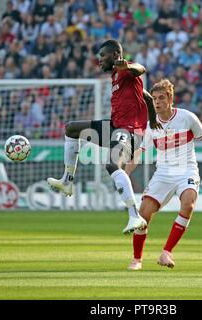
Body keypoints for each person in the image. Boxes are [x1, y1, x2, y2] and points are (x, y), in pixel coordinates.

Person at [48, 39, 162, 234]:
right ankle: (67, 181)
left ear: (115, 56)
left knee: (111, 165)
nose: (98, 59)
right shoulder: (117, 77)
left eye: (102, 56)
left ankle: (135, 216)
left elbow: (140, 69)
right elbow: (149, 98)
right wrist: (152, 121)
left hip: (129, 132)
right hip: (115, 128)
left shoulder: (125, 71)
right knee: (71, 129)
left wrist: (127, 65)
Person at [124, 79, 202, 270]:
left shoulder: (187, 117)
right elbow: (138, 153)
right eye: (154, 100)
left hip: (187, 170)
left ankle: (166, 253)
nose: (157, 103)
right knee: (144, 213)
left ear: (170, 99)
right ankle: (137, 259)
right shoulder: (151, 125)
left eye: (161, 98)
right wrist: (124, 176)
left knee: (189, 203)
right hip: (164, 173)